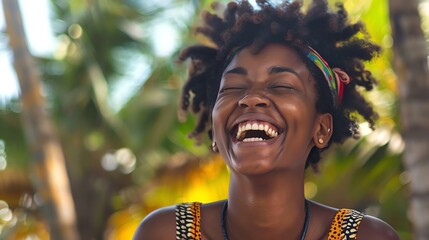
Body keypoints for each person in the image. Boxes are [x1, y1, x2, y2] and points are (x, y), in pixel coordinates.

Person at [133, 0, 400, 239]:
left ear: (321, 128)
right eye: (233, 87)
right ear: (215, 131)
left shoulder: (366, 236)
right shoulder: (164, 233)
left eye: (281, 86)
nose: (250, 98)